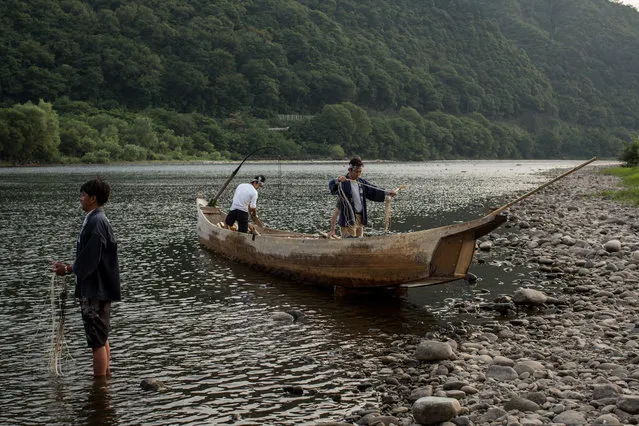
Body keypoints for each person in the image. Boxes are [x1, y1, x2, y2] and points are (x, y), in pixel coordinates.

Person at [52, 177, 121, 378]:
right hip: (100, 286)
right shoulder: (96, 219)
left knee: (96, 341)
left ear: (92, 198)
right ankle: (105, 378)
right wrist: (69, 265)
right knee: (101, 335)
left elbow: (91, 259)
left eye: (82, 195)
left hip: (95, 288)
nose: (80, 199)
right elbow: (89, 257)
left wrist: (67, 269)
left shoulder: (96, 222)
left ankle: (99, 387)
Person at [328, 157, 396, 237]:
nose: (358, 174)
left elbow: (373, 189)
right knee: (351, 242)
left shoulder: (361, 182)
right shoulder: (343, 183)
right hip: (348, 219)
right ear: (349, 170)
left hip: (360, 218)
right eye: (356, 172)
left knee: (360, 241)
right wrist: (338, 179)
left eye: (360, 172)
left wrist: (388, 192)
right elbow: (331, 184)